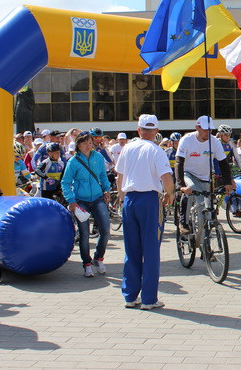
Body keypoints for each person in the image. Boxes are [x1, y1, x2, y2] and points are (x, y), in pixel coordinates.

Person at [115, 114, 174, 310]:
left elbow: (120, 177)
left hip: (130, 199)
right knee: (150, 250)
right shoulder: (157, 151)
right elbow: (166, 177)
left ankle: (130, 295)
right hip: (149, 199)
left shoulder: (127, 148)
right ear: (156, 131)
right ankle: (149, 299)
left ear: (139, 130)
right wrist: (170, 194)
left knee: (131, 249)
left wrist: (122, 198)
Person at [61, 131, 112, 278]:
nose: (88, 146)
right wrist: (71, 200)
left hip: (97, 198)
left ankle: (98, 258)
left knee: (105, 230)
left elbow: (103, 175)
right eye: (85, 143)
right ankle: (87, 264)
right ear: (78, 145)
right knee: (84, 234)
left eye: (90, 143)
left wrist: (106, 189)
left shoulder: (98, 156)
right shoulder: (73, 161)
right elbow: (65, 182)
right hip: (80, 200)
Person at [174, 116, 235, 235]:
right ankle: (184, 222)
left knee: (204, 213)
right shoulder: (187, 140)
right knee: (190, 188)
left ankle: (204, 248)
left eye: (210, 130)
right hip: (188, 173)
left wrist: (228, 182)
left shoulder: (215, 142)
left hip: (204, 177)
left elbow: (223, 163)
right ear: (197, 127)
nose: (208, 132)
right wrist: (180, 185)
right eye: (205, 129)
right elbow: (179, 163)